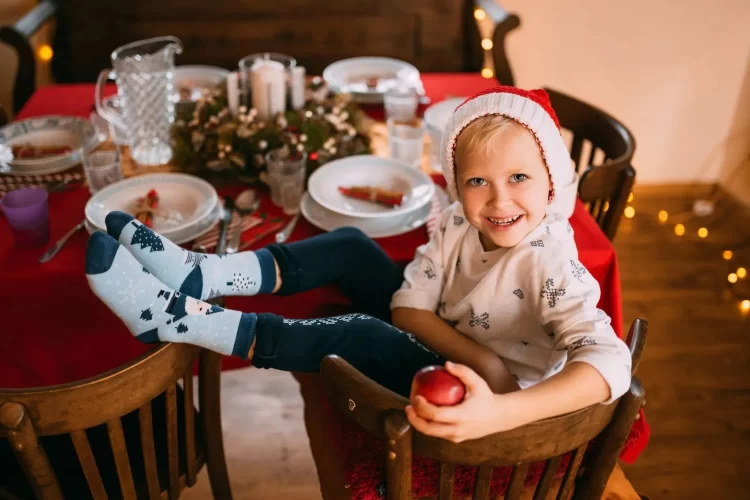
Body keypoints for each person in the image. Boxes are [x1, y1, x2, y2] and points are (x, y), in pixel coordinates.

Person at [85, 86, 630, 444]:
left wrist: (496, 397)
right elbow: (408, 307)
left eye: (519, 178)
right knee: (350, 243)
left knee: (361, 334)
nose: (498, 201)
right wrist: (477, 354)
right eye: (477, 182)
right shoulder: (462, 225)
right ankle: (202, 276)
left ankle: (183, 322)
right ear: (457, 185)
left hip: (493, 405)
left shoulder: (549, 260)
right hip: (460, 348)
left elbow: (612, 363)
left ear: (552, 180)